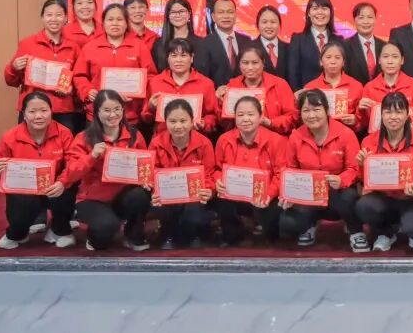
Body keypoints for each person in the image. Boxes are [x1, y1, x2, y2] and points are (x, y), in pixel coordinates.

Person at [279, 90, 367, 251]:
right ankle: (310, 225)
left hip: (338, 191)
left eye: (316, 109)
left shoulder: (346, 134)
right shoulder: (296, 137)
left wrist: (341, 180)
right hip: (309, 193)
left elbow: (354, 168)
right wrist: (290, 193)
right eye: (306, 110)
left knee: (348, 197)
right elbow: (291, 169)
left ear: (327, 111)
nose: (311, 115)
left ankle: (356, 231)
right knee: (287, 223)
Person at [65, 90, 152, 251]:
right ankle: (94, 236)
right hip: (93, 199)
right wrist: (92, 156)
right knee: (104, 233)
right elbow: (71, 173)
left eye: (117, 109)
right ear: (96, 112)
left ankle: (133, 235)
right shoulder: (84, 138)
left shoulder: (135, 135)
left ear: (123, 110)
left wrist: (146, 180)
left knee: (140, 195)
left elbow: (144, 167)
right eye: (106, 110)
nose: (113, 115)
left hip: (122, 197)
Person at [0, 92, 78, 249]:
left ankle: (59, 229)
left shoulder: (64, 133)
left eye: (44, 110)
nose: (38, 116)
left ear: (51, 111)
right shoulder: (10, 137)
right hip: (25, 192)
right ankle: (18, 233)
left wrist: (62, 182)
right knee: (18, 222)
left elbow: (73, 164)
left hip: (54, 187)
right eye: (32, 111)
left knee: (69, 185)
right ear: (24, 114)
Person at [354, 91, 413, 251]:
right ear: (381, 115)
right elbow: (363, 181)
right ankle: (386, 233)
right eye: (388, 112)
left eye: (399, 112)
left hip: (411, 199)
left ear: (407, 115)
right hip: (384, 198)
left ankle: (411, 229)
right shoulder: (369, 142)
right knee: (364, 206)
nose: (393, 117)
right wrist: (362, 165)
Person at [5, 0, 84, 134]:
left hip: (62, 110)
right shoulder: (27, 44)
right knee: (29, 146)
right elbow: (11, 81)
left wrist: (71, 89)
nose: (54, 19)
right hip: (32, 109)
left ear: (66, 18)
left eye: (58, 15)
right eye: (49, 15)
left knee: (64, 146)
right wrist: (14, 67)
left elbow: (79, 80)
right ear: (42, 17)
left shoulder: (74, 48)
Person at [213, 96, 284, 245]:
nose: (245, 119)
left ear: (260, 117)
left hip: (265, 196)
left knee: (274, 229)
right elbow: (217, 168)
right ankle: (234, 235)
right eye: (240, 115)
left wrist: (269, 194)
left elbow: (280, 174)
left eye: (251, 114)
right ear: (235, 117)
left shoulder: (276, 140)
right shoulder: (224, 140)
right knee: (219, 199)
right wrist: (218, 180)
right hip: (234, 195)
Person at [73, 3, 157, 126]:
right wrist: (87, 91)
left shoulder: (139, 47)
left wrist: (138, 93)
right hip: (97, 115)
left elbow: (150, 76)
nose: (115, 23)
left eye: (119, 19)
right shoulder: (90, 47)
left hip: (130, 115)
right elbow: (79, 76)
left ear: (127, 23)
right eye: (110, 19)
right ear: (103, 23)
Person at [148, 100, 215, 249]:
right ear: (165, 122)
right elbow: (152, 173)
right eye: (172, 121)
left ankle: (188, 236)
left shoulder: (204, 143)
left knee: (194, 211)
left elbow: (209, 174)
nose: (178, 126)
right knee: (161, 206)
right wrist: (154, 190)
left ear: (192, 121)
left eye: (183, 121)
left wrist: (209, 190)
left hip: (194, 196)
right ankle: (169, 235)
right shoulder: (156, 143)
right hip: (168, 196)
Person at [142, 38, 218, 135]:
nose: (178, 60)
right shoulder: (155, 82)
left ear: (192, 58)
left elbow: (212, 115)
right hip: (162, 139)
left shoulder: (206, 84)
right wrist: (151, 108)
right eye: (174, 56)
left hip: (194, 137)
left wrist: (204, 124)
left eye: (183, 55)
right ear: (167, 58)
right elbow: (145, 118)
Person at [217, 44, 297, 135]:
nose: (250, 67)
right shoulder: (232, 86)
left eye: (255, 63)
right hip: (240, 138)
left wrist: (270, 123)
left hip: (274, 137)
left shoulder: (280, 84)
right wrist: (221, 105)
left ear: (263, 63)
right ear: (239, 64)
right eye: (245, 63)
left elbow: (292, 117)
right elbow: (225, 124)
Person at [359, 42, 413, 135]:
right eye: (385, 56)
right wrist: (361, 111)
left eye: (395, 56)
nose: (390, 61)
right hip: (378, 139)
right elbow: (364, 124)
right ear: (379, 60)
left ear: (402, 60)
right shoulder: (369, 88)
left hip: (409, 138)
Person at [300, 40, 364, 132]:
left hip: (347, 135)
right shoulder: (310, 87)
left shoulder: (356, 86)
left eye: (337, 57)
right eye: (328, 57)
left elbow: (363, 122)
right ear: (321, 62)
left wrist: (355, 120)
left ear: (343, 62)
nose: (333, 61)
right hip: (317, 136)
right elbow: (303, 119)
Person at [287, 0, 339, 90]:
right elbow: (293, 73)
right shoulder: (297, 40)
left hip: (334, 93)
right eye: (315, 8)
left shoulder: (339, 40)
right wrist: (299, 94)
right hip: (307, 95)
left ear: (330, 13)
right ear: (308, 13)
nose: (320, 12)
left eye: (324, 8)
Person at [200, 0, 255, 88]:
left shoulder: (247, 41)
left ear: (235, 15)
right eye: (221, 12)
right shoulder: (204, 44)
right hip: (217, 94)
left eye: (230, 12)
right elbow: (203, 77)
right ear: (213, 17)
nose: (226, 16)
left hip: (245, 93)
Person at [153, 0, 207, 75]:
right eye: (173, 12)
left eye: (181, 11)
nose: (178, 15)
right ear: (168, 16)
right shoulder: (159, 45)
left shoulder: (201, 44)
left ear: (189, 14)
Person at [344, 2, 386, 86]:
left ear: (375, 19)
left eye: (370, 17)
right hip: (354, 92)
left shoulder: (384, 46)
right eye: (361, 18)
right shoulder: (345, 46)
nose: (366, 21)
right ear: (354, 20)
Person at [256, 5, 290, 81]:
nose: (269, 26)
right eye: (264, 22)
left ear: (279, 25)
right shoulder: (248, 48)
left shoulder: (289, 49)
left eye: (273, 22)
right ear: (257, 25)